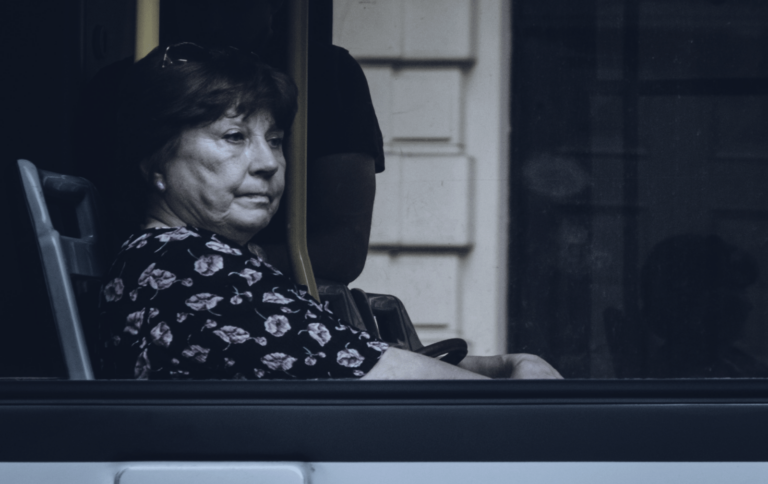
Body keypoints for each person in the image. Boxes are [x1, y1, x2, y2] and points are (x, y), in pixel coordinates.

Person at [99, 44, 561, 380]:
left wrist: (503, 365)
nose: (268, 163)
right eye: (234, 137)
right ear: (155, 162)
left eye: (274, 140)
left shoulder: (198, 260)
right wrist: (516, 387)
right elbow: (378, 377)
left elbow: (349, 353)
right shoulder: (187, 265)